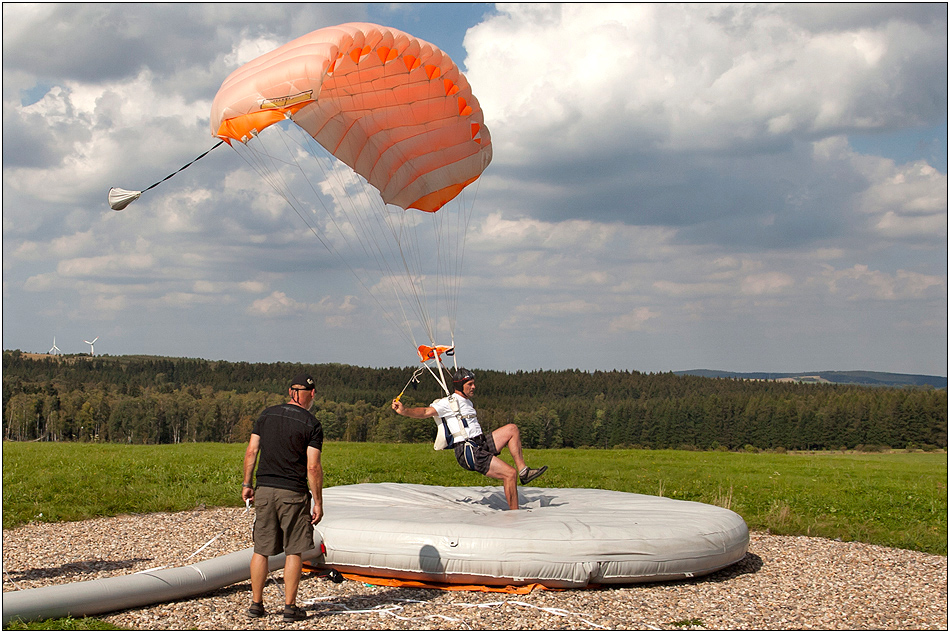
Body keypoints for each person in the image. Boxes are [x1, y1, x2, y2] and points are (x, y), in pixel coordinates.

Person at [392, 369, 547, 510]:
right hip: (468, 450)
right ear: (460, 385)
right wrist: (404, 411)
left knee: (512, 429)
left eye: (474, 384)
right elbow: (426, 411)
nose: (474, 387)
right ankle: (515, 514)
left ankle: (524, 472)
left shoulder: (467, 401)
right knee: (509, 474)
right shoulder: (449, 402)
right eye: (470, 384)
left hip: (480, 442)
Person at [242, 373, 324, 623]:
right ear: (310, 394)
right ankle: (290, 607)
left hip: (265, 488)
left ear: (290, 392)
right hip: (293, 492)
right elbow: (313, 467)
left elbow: (251, 451)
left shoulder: (266, 415)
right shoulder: (312, 424)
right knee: (294, 550)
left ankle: (256, 605)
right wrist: (318, 502)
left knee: (261, 549)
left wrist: (247, 483)